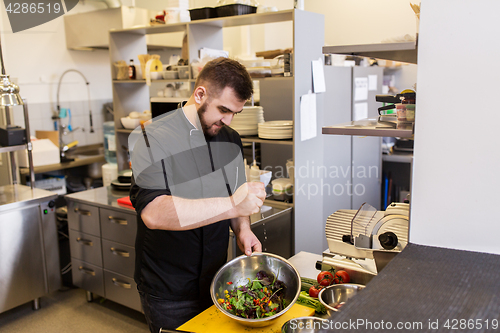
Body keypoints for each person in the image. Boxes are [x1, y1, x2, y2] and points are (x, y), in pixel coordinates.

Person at [128, 57, 266, 332]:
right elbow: (154, 213)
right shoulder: (152, 138)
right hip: (168, 289)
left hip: (217, 280)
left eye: (235, 113)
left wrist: (243, 230)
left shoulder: (230, 139)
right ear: (200, 94)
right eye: (224, 109)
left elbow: (236, 197)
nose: (227, 120)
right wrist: (233, 206)